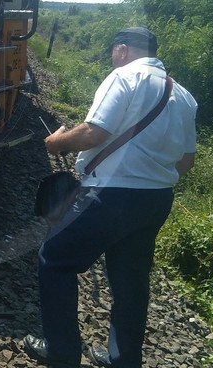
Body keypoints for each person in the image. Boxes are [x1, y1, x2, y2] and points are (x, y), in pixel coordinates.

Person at [23, 26, 198, 367]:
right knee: (130, 281)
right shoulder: (184, 95)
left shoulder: (124, 77)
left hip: (111, 196)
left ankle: (61, 352)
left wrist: (55, 142)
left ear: (121, 50)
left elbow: (93, 132)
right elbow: (187, 162)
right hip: (157, 200)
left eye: (114, 53)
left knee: (54, 259)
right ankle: (123, 359)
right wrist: (150, 178)